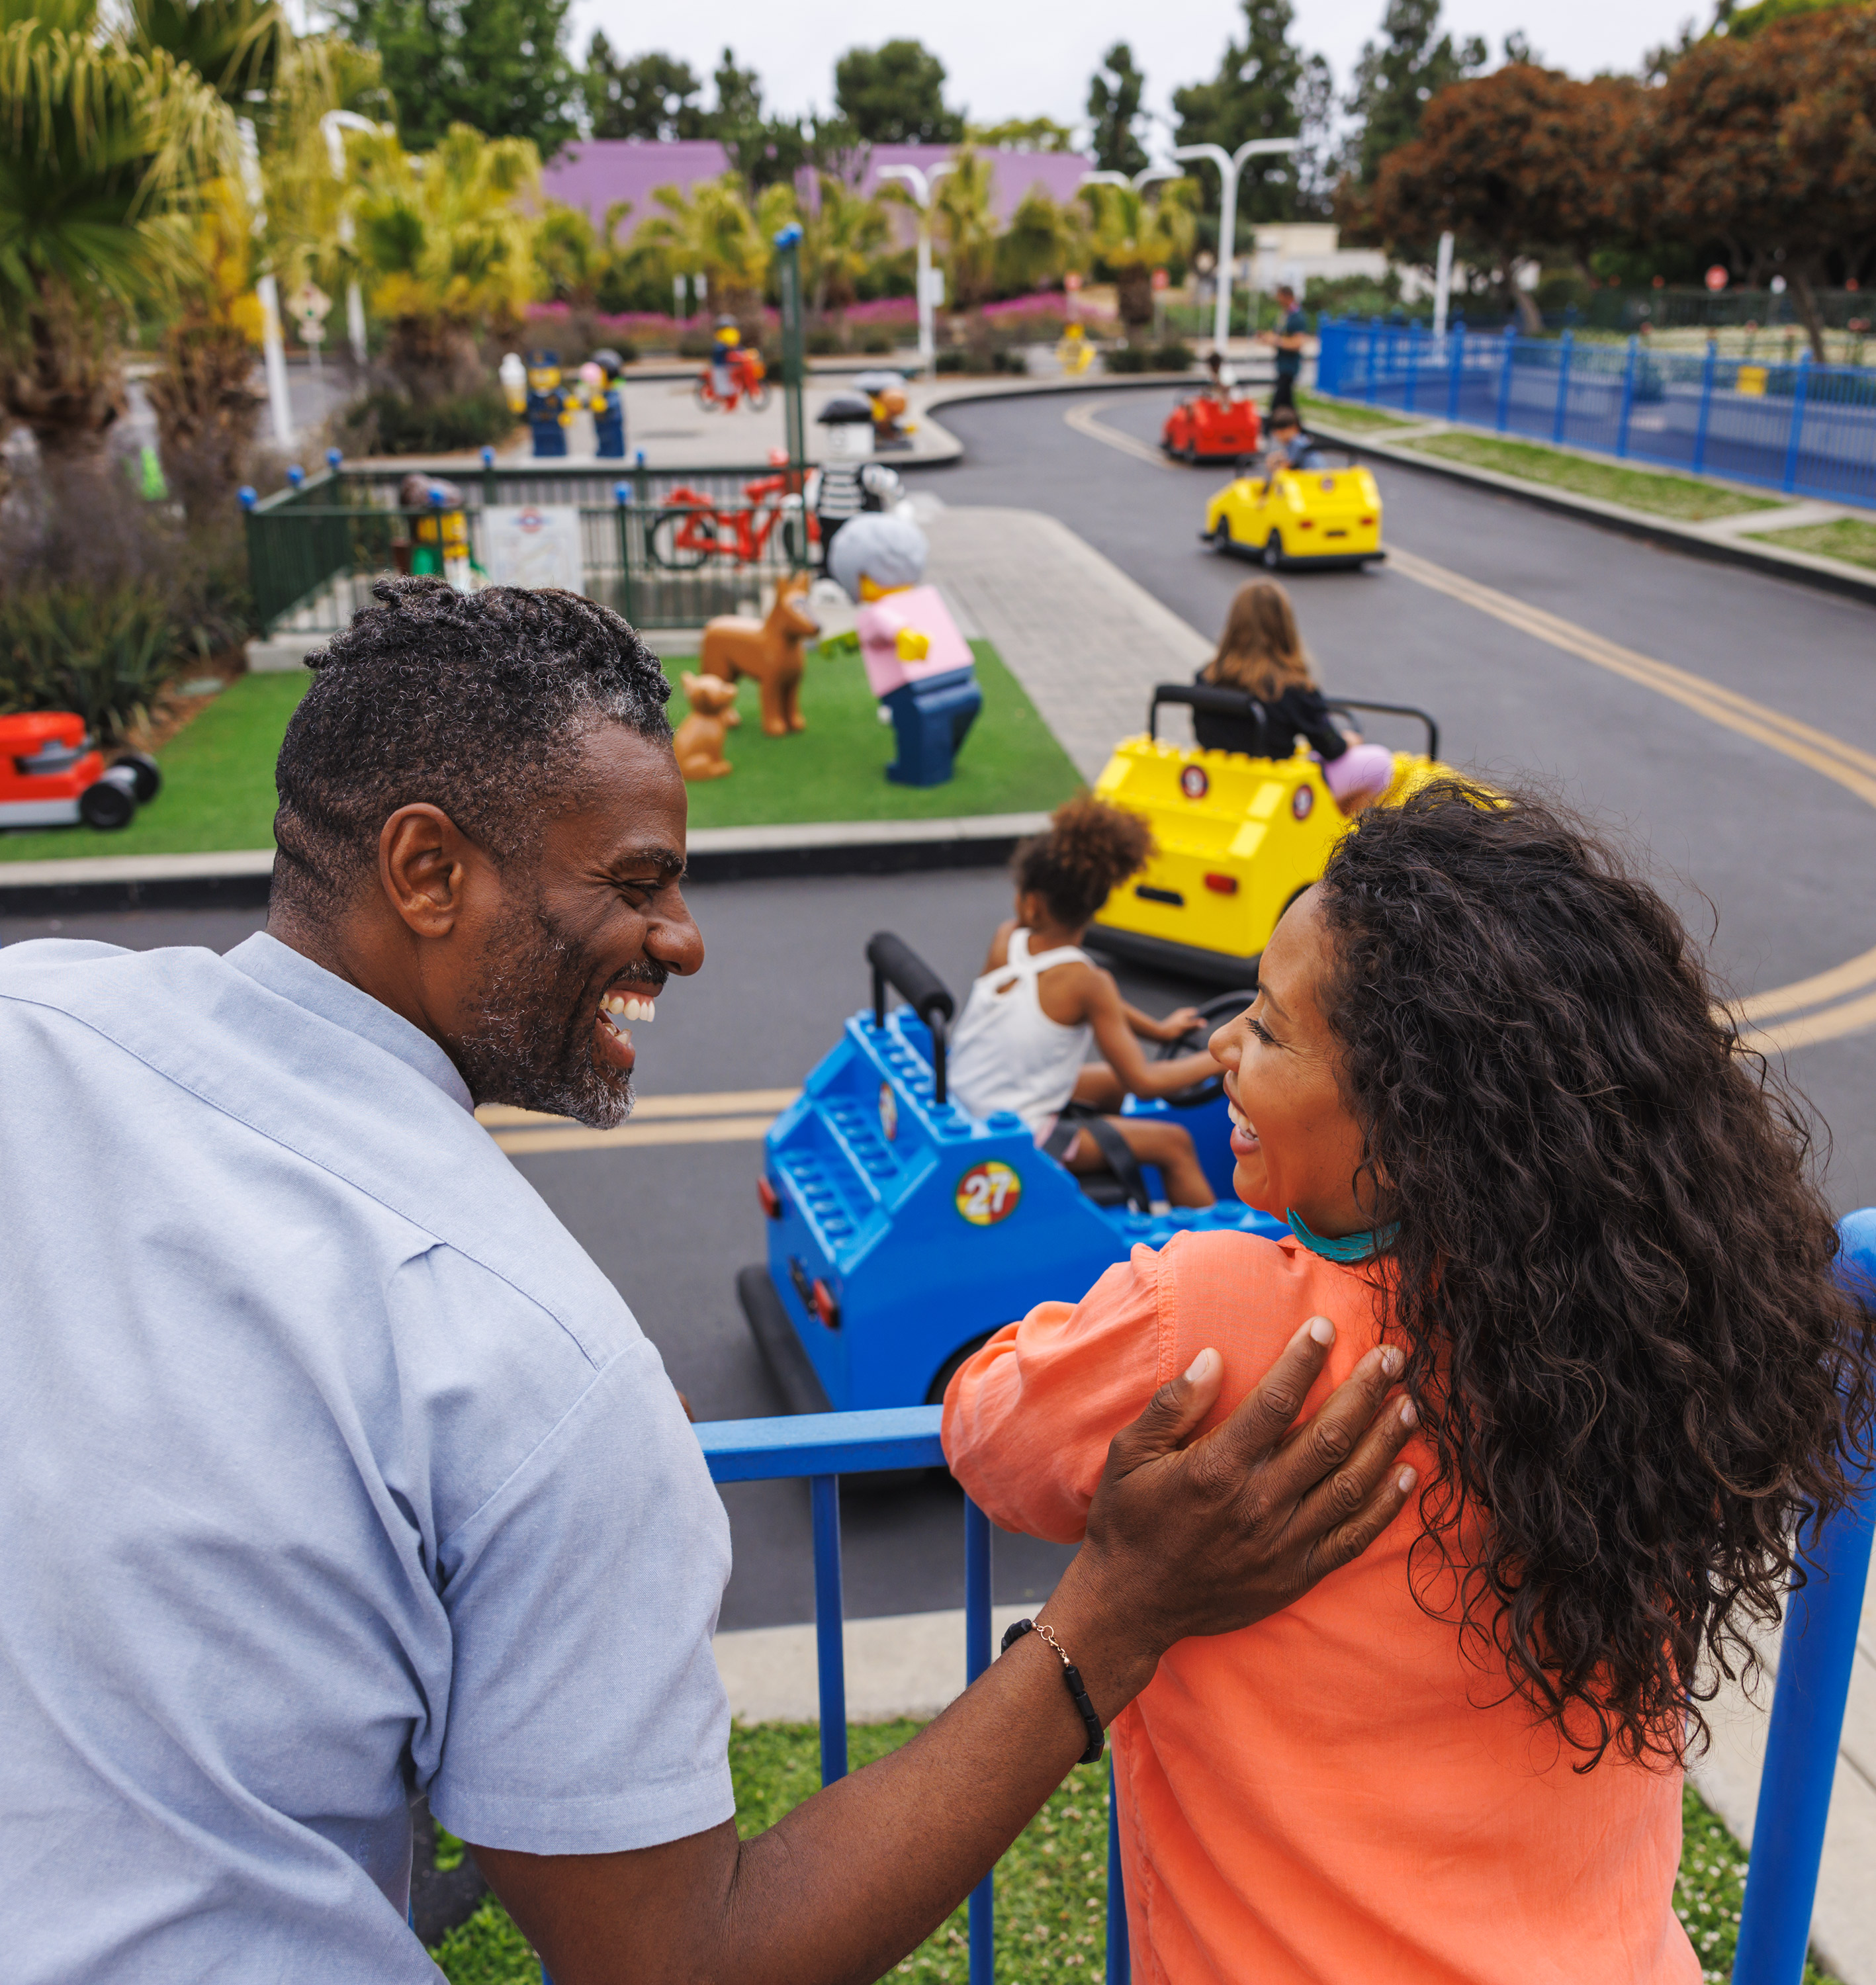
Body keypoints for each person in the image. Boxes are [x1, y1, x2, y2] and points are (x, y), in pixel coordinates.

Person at [0, 577, 1420, 1984]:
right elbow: (684, 1965)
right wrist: (1111, 1613)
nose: (683, 939)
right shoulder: (536, 1363)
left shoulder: (35, 1019)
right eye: (635, 883)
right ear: (426, 872)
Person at [943, 781, 1873, 1985]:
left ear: (1413, 1123)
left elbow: (989, 1427)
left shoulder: (1215, 1318)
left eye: (1270, 1032)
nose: (1224, 1045)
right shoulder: (1653, 1331)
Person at [948, 797, 1224, 1207]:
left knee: (1109, 1083)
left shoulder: (1008, 940)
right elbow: (1144, 1082)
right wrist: (1226, 1052)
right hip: (1019, 1141)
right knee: (1175, 1144)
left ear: (1033, 903)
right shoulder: (1088, 984)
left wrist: (1160, 1030)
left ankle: (1105, 1182)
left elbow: (1095, 1005)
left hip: (967, 1107)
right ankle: (1212, 1261)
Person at [1194, 579, 1396, 813]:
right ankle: (1341, 831)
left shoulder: (1205, 679)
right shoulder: (1292, 687)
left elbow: (1201, 733)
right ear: (1284, 627)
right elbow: (1332, 747)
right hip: (1279, 790)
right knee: (1379, 763)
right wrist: (1349, 741)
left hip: (1225, 779)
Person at [1261, 282, 1307, 414]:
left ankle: (1269, 428)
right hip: (1282, 364)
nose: (1278, 300)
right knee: (1287, 402)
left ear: (1287, 296)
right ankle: (1297, 429)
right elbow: (1278, 335)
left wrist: (1277, 341)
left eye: (1279, 297)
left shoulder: (1297, 316)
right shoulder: (1284, 315)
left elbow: (1298, 343)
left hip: (1289, 366)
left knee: (1278, 401)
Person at [1262, 403, 1323, 472]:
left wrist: (1274, 465)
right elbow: (1287, 454)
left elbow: (1287, 466)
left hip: (1314, 476)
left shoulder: (1297, 442)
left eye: (1282, 432)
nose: (1279, 436)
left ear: (1294, 428)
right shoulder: (1299, 440)